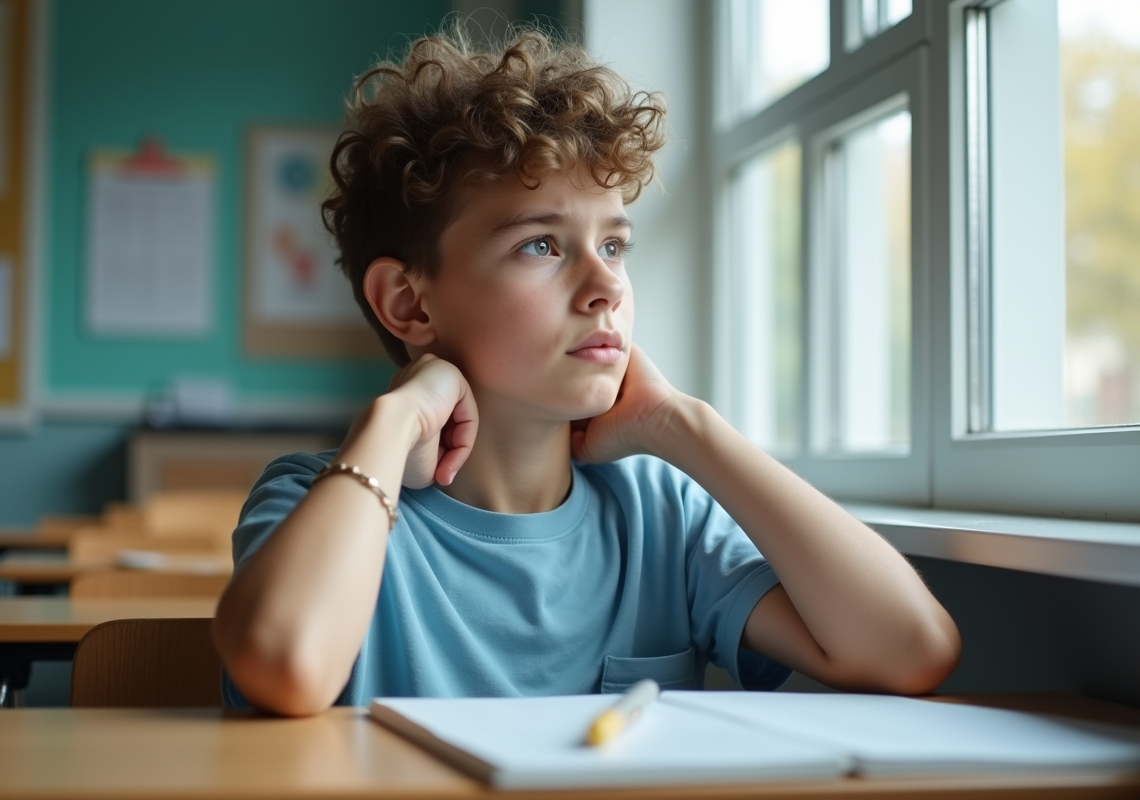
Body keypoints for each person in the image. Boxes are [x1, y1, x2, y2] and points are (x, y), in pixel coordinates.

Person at [212, 23, 961, 717]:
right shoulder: (322, 501)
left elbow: (911, 651)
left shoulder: (661, 516)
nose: (605, 285)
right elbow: (285, 663)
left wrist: (683, 424)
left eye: (614, 246)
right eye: (541, 245)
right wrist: (396, 419)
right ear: (408, 304)